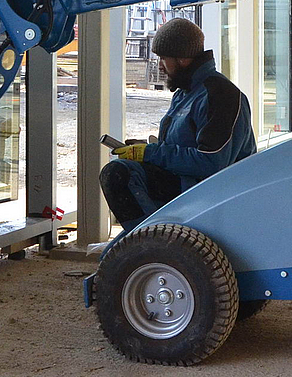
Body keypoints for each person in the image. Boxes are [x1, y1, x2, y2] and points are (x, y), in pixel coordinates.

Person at [99, 18, 256, 231]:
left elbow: (210, 163)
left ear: (182, 59)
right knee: (123, 172)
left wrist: (150, 154)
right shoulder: (187, 92)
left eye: (164, 58)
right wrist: (146, 149)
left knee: (118, 175)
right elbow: (181, 146)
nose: (160, 66)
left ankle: (155, 241)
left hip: (213, 193)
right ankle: (150, 239)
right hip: (189, 184)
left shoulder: (219, 95)